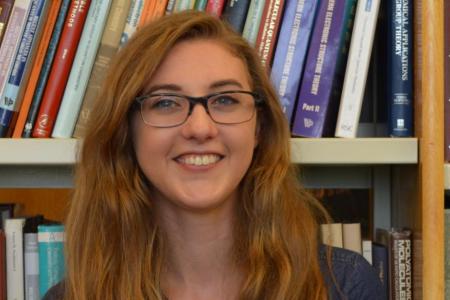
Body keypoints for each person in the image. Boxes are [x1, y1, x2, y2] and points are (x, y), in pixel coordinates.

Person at [44, 10, 383, 300]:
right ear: (126, 132)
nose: (200, 128)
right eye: (165, 102)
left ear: (259, 128)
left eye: (225, 100)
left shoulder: (344, 286)